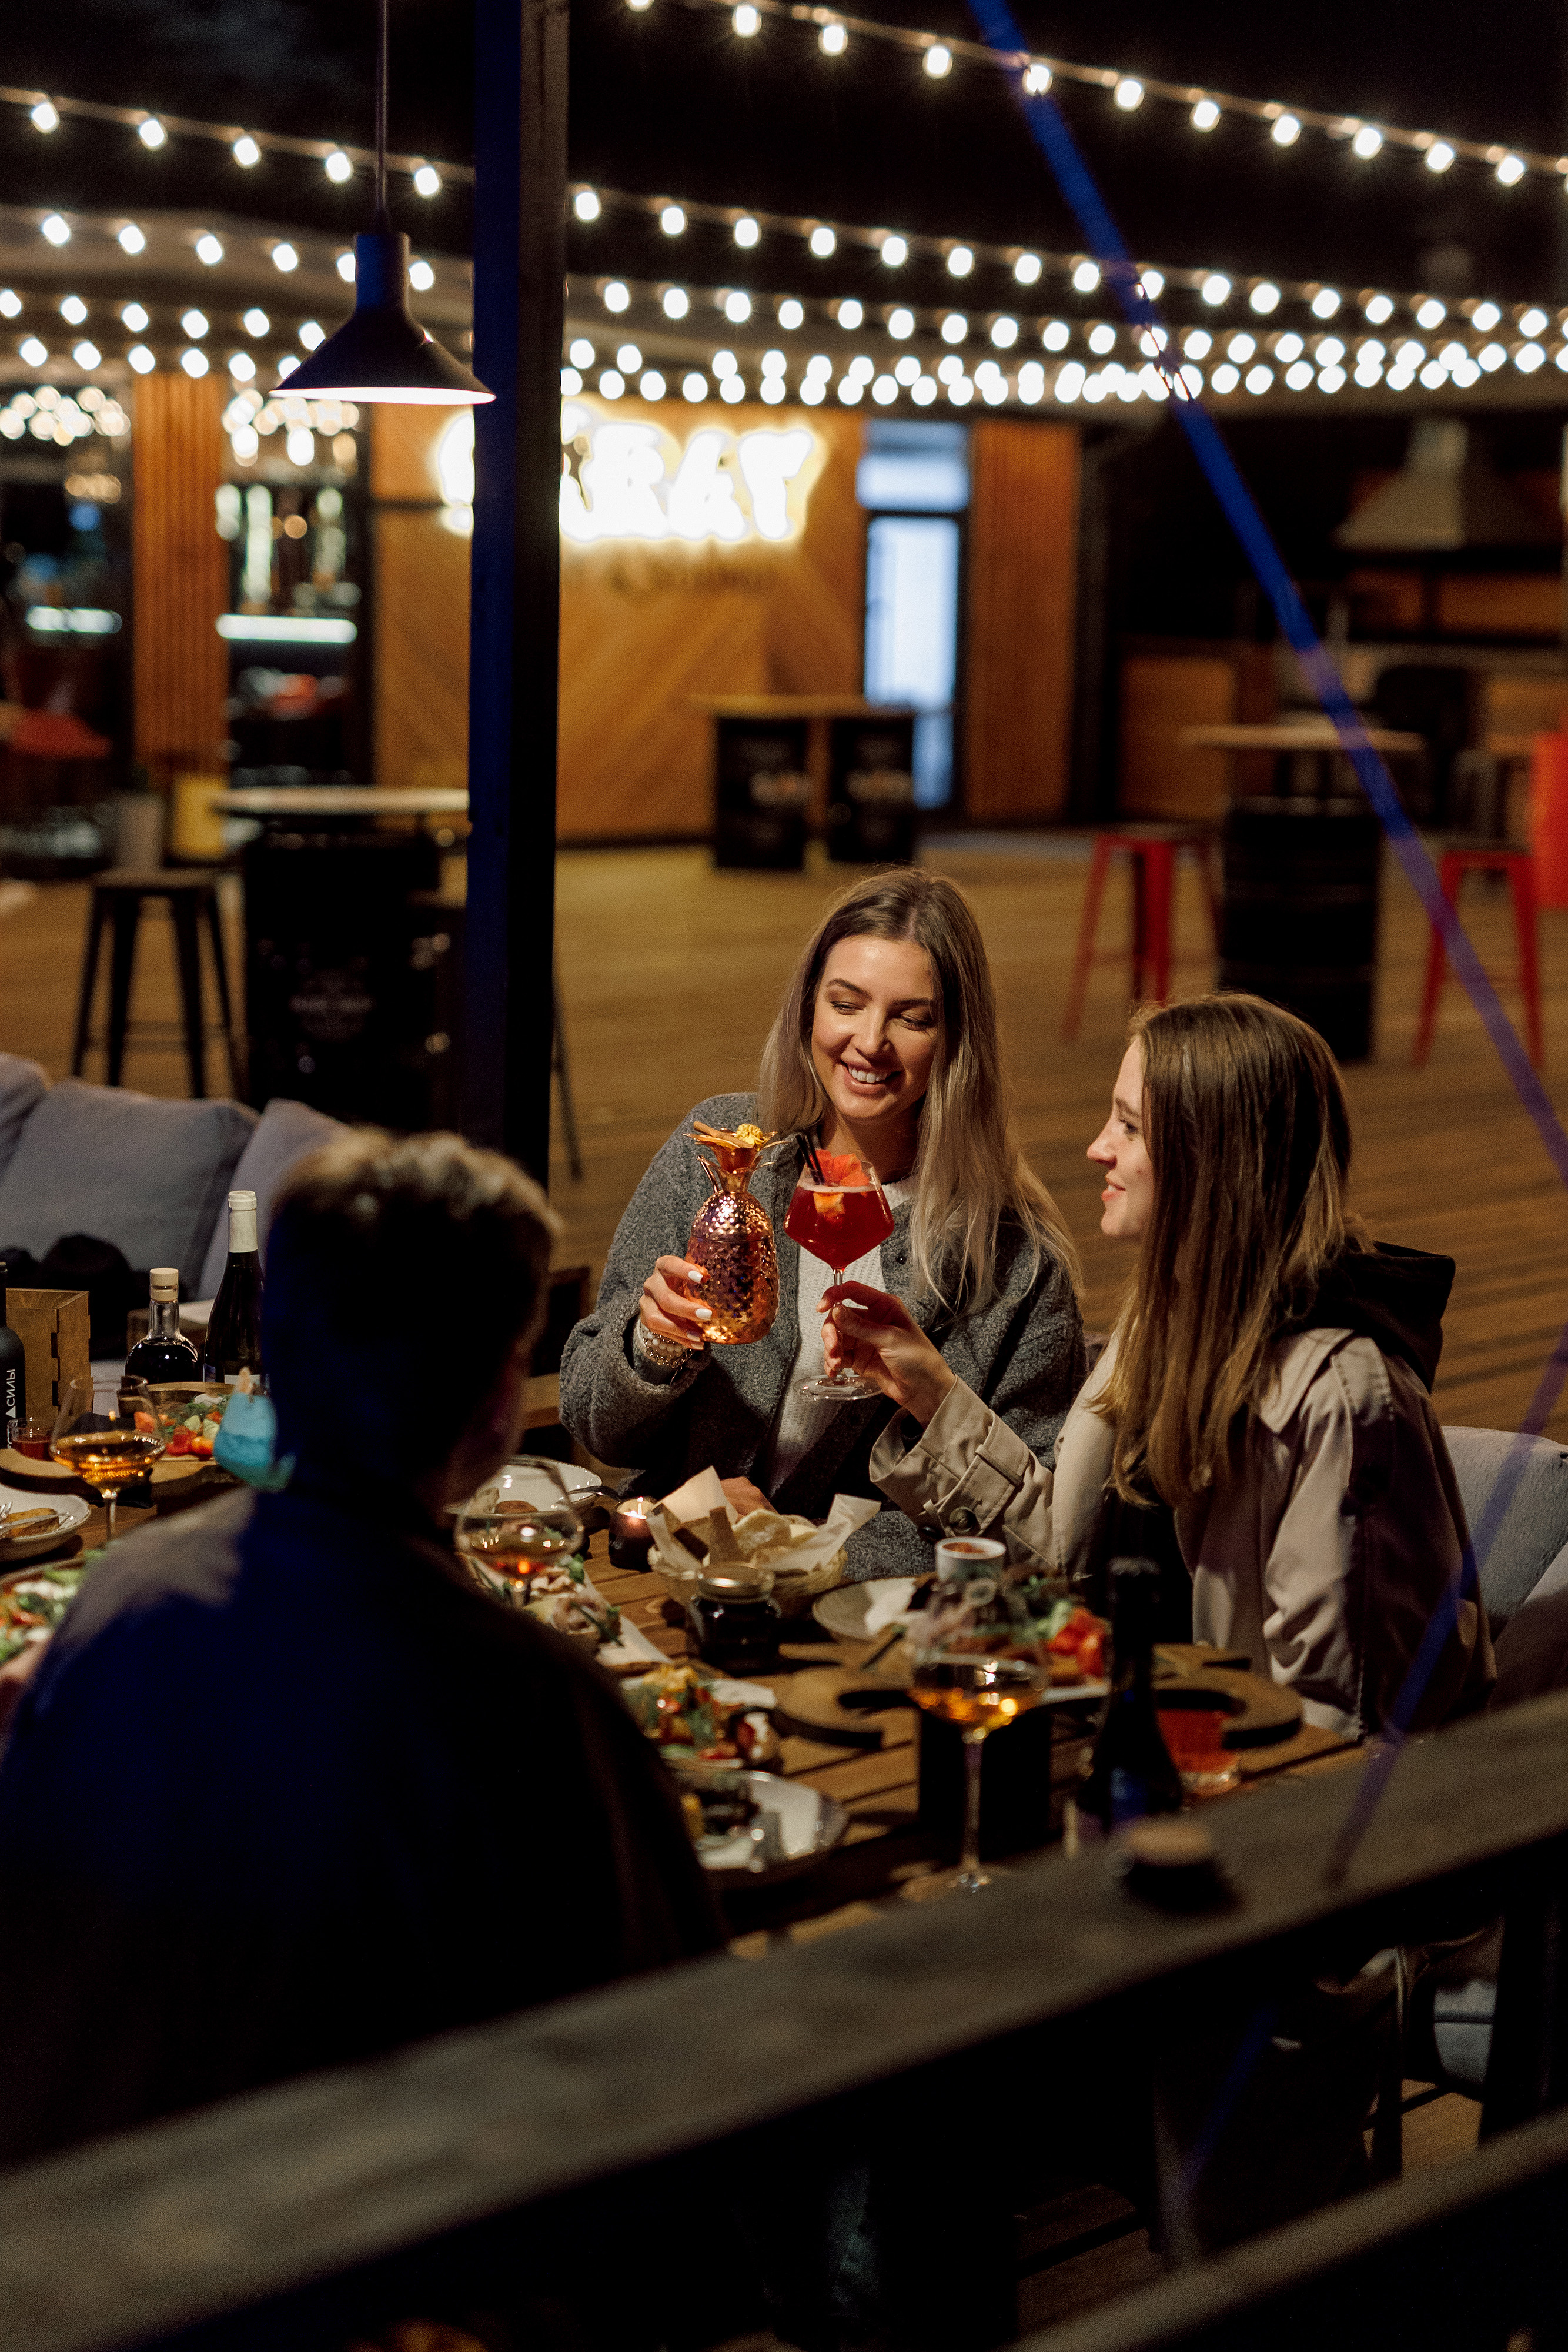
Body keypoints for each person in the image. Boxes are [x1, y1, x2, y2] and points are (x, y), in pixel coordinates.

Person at [0, 1130, 724, 2175]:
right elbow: (671, 2053)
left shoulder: (121, 1599)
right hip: (371, 2228)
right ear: (495, 1408)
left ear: (275, 1362)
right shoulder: (534, 1702)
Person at [827, 993, 1494, 1737]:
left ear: (1213, 1161)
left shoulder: (1338, 1395)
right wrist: (933, 1396)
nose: (1097, 1148)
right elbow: (1071, 1559)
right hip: (1124, 1734)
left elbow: (1344, 1730)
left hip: (1236, 1780)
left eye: (1130, 1126)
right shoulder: (1167, 1316)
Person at [559, 869, 1085, 1578]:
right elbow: (593, 1422)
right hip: (671, 1580)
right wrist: (650, 1347)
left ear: (957, 1039)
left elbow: (1031, 1531)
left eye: (912, 1018)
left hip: (864, 1617)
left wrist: (795, 1549)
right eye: (846, 1003)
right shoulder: (721, 1154)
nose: (870, 1041)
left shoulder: (1016, 1259)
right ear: (809, 1007)